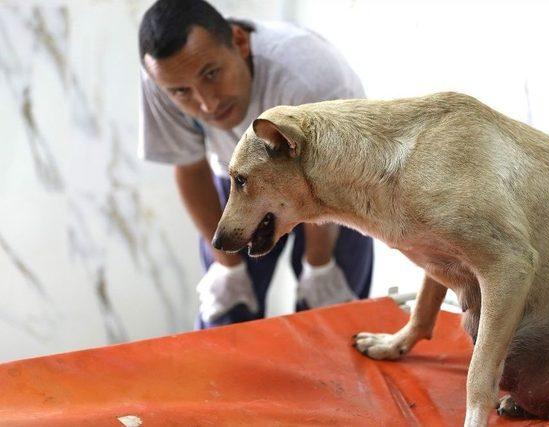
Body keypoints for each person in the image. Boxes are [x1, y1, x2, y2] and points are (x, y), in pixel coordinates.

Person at [137, 0, 373, 328]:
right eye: (182, 93)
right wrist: (227, 266)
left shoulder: (312, 77)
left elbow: (332, 179)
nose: (207, 103)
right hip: (238, 184)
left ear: (239, 41)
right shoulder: (163, 80)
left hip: (336, 188)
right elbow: (190, 168)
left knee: (331, 321)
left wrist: (319, 265)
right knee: (224, 321)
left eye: (211, 73)